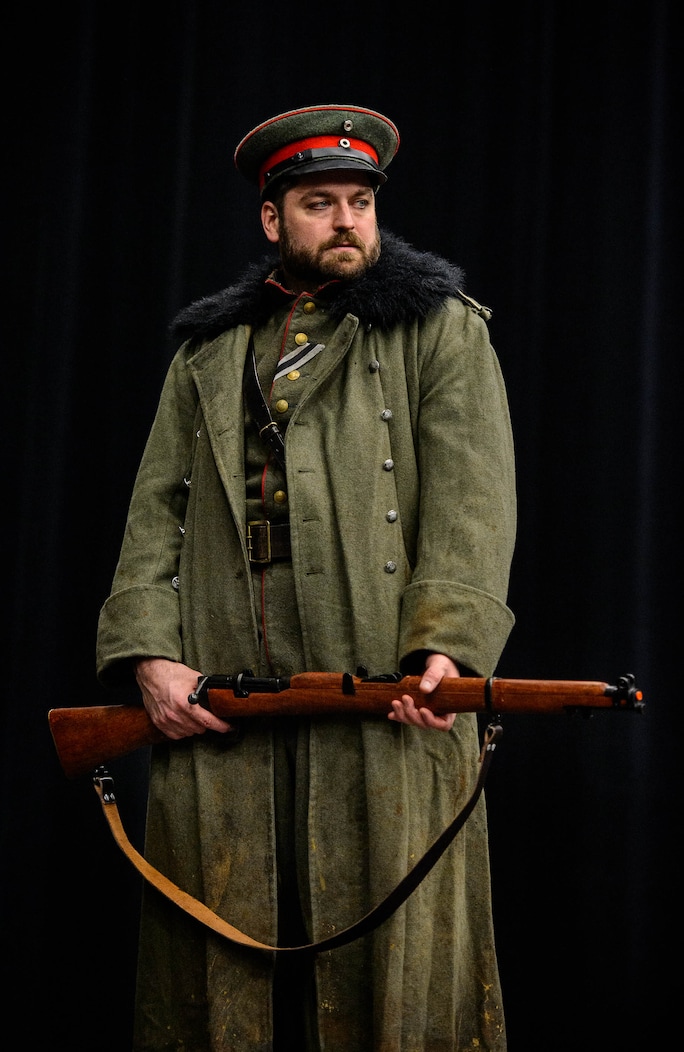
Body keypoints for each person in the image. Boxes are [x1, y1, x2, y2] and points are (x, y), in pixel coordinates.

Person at [96, 103, 517, 1052]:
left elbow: (472, 502)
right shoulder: (206, 352)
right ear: (272, 220)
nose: (345, 220)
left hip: (386, 673)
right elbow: (155, 511)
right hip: (221, 680)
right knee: (217, 950)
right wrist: (149, 657)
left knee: (401, 954)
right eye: (319, 202)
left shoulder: (441, 331)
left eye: (360, 201)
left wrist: (444, 646)